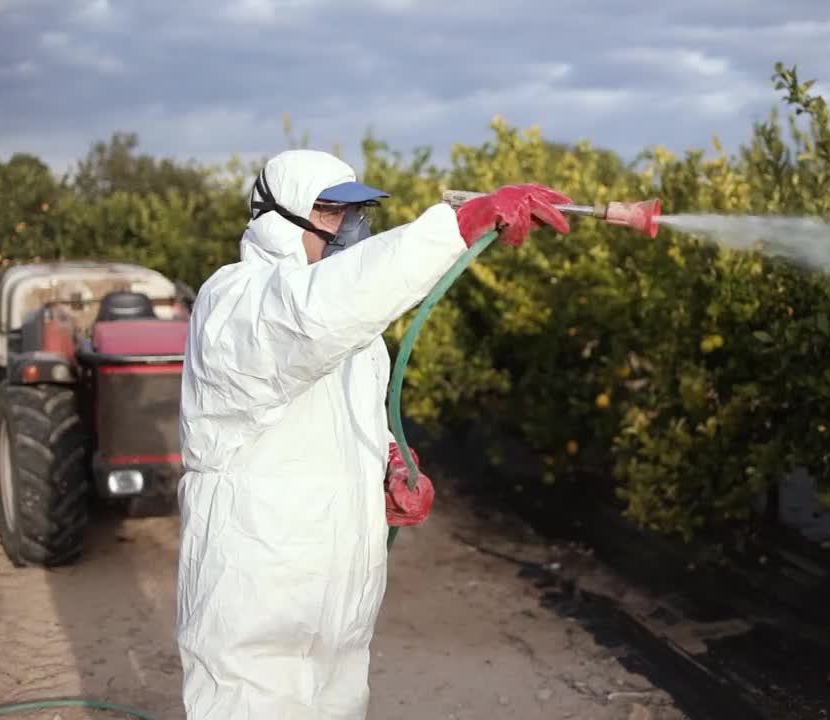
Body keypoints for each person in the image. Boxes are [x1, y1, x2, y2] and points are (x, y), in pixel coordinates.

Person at [175, 148, 571, 719]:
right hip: (259, 589)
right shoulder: (236, 299)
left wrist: (389, 464)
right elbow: (308, 319)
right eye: (334, 214)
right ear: (277, 219)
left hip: (340, 598)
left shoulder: (358, 338)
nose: (352, 231)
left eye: (358, 214)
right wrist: (454, 227)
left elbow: (353, 411)